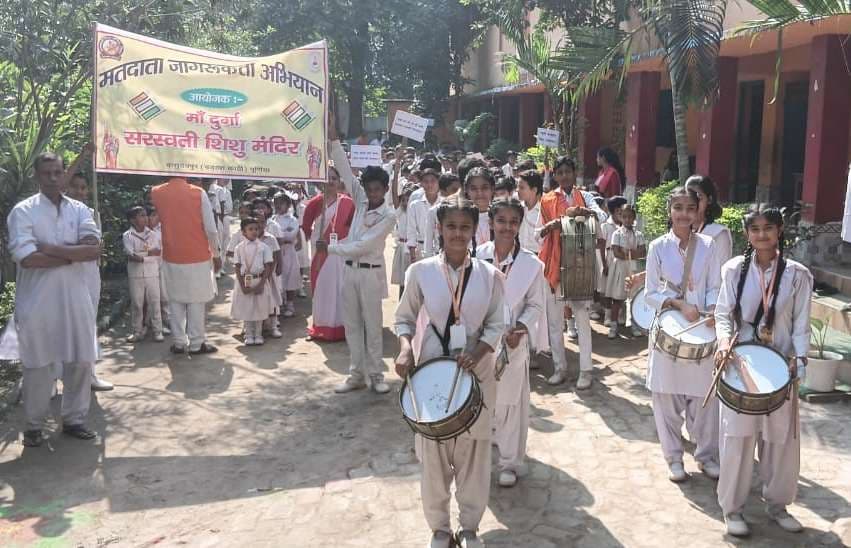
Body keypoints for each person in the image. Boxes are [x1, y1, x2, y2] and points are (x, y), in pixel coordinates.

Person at [394, 194, 505, 548]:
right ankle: (440, 529)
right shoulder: (421, 272)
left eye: (465, 227)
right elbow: (404, 318)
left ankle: (470, 527)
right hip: (432, 371)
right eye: (451, 226)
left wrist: (478, 351)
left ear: (475, 230)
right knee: (433, 454)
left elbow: (496, 323)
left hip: (478, 373)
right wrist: (403, 349)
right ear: (439, 229)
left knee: (475, 454)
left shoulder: (490, 276)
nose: (458, 234)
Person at [714, 205, 812, 537]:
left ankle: (778, 504)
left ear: (780, 230)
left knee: (781, 442)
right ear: (747, 234)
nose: (761, 235)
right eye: (754, 229)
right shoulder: (732, 270)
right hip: (741, 365)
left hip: (781, 366)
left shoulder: (798, 274)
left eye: (768, 228)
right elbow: (724, 314)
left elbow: (801, 324)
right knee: (737, 440)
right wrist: (723, 342)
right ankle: (733, 508)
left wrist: (798, 360)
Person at [8, 152, 102, 446]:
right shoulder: (23, 212)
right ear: (37, 175)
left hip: (77, 298)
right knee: (38, 365)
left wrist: (49, 248)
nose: (53, 178)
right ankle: (34, 426)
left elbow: (93, 249)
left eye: (57, 172)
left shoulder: (79, 210)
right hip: (38, 302)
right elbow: (27, 259)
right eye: (46, 173)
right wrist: (73, 254)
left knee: (81, 360)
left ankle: (74, 419)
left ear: (65, 174)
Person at [644, 186, 722, 483]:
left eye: (690, 208)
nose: (684, 214)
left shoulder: (708, 246)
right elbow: (650, 293)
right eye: (678, 207)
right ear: (669, 211)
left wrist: (714, 308)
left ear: (698, 211)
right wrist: (678, 303)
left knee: (704, 397)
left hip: (702, 327)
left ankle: (705, 455)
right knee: (666, 397)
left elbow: (715, 284)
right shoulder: (657, 247)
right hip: (669, 326)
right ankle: (674, 457)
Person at [477, 198, 545, 488]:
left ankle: (508, 461)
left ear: (520, 225)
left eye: (513, 222)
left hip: (512, 343)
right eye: (501, 221)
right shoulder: (476, 256)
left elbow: (536, 305)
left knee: (508, 403)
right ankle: (478, 458)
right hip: (480, 343)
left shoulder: (532, 264)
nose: (507, 227)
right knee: (480, 400)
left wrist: (521, 328)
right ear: (491, 222)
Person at [328, 138, 397, 394]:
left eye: (377, 189)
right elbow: (346, 171)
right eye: (369, 189)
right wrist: (334, 141)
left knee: (372, 324)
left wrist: (332, 249)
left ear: (385, 189)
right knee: (352, 324)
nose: (372, 193)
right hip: (350, 271)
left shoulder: (389, 216)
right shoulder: (362, 202)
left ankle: (377, 375)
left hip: (369, 274)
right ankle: (356, 373)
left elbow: (364, 246)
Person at [538, 156, 606, 387]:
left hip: (579, 263)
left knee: (582, 317)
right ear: (555, 175)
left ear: (574, 173)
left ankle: (586, 370)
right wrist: (555, 224)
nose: (565, 176)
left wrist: (582, 213)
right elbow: (540, 231)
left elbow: (602, 217)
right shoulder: (546, 200)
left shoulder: (584, 196)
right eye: (561, 172)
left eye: (569, 171)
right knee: (555, 321)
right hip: (555, 262)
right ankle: (560, 368)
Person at [150, 177, 221, 355]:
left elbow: (156, 220)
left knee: (175, 300)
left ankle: (179, 342)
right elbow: (211, 229)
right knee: (196, 301)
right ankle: (197, 343)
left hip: (171, 255)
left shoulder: (156, 192)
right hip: (197, 254)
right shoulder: (198, 193)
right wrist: (217, 253)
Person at [61, 157, 113, 392]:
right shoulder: (56, 212)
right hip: (64, 277)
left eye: (84, 188)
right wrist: (82, 156)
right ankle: (53, 380)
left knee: (87, 326)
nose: (81, 192)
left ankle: (89, 375)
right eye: (76, 187)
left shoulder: (91, 212)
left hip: (90, 277)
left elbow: (96, 247)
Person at [301, 161, 355, 341]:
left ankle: (341, 328)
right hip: (320, 252)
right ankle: (319, 327)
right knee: (321, 288)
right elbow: (306, 229)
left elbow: (353, 228)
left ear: (340, 181)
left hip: (340, 252)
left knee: (340, 288)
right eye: (327, 178)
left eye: (334, 178)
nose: (331, 181)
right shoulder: (314, 204)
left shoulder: (348, 202)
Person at [231, 217, 277, 346]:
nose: (254, 232)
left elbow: (268, 266)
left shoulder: (264, 247)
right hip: (245, 281)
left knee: (259, 308)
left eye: (256, 229)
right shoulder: (239, 248)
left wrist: (262, 284)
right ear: (243, 232)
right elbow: (237, 266)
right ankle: (249, 334)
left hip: (259, 279)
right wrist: (242, 285)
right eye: (250, 229)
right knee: (247, 308)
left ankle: (258, 334)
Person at [123, 206, 164, 343]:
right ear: (133, 220)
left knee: (155, 301)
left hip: (152, 273)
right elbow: (131, 255)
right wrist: (148, 255)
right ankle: (137, 331)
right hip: (135, 275)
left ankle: (158, 330)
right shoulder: (127, 236)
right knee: (137, 303)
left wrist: (141, 255)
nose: (146, 218)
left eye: (146, 215)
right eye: (142, 216)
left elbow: (157, 253)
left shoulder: (151, 234)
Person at [607, 205, 646, 338]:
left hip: (634, 268)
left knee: (634, 298)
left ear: (634, 218)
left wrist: (627, 252)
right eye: (624, 217)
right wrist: (631, 253)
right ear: (620, 217)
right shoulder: (616, 233)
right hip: (620, 269)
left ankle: (635, 325)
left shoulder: (639, 234)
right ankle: (613, 326)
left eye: (630, 217)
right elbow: (616, 252)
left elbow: (642, 251)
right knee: (617, 299)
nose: (627, 220)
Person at [685, 175, 734, 264]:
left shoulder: (718, 234)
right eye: (688, 198)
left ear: (709, 200)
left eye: (698, 198)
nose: (692, 203)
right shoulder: (678, 231)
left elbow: (720, 273)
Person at [390, 155, 419, 298]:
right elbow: (393, 192)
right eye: (405, 198)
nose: (407, 201)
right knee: (403, 282)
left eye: (411, 198)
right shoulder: (400, 210)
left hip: (413, 248)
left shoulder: (419, 210)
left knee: (413, 281)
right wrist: (396, 171)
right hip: (402, 248)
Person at [272, 193, 303, 317]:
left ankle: (290, 304)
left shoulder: (292, 219)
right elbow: (271, 235)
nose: (278, 205)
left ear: (288, 204)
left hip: (289, 251)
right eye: (276, 203)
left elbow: (290, 235)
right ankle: (278, 304)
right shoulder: (272, 219)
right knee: (277, 277)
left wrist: (280, 237)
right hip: (275, 252)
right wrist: (281, 236)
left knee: (290, 277)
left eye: (281, 203)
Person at [254, 210, 283, 338]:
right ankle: (253, 328)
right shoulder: (248, 239)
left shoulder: (270, 238)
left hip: (269, 276)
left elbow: (277, 254)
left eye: (262, 222)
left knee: (272, 301)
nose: (259, 225)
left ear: (266, 223)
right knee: (254, 302)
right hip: (255, 276)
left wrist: (278, 267)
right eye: (256, 222)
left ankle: (273, 326)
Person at [406, 160, 442, 262]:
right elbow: (411, 230)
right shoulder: (415, 205)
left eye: (433, 181)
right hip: (420, 250)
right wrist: (413, 255)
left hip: (441, 250)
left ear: (438, 182)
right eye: (426, 181)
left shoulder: (444, 203)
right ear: (421, 183)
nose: (430, 184)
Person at [598, 196, 625, 329]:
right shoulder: (605, 226)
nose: (623, 215)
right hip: (609, 258)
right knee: (608, 289)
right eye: (621, 211)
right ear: (615, 211)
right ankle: (608, 315)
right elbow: (601, 246)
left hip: (623, 260)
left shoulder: (627, 226)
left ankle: (619, 314)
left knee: (620, 289)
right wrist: (603, 264)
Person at [147, 206, 171, 336]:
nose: (155, 218)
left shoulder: (161, 229)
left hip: (162, 264)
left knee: (164, 295)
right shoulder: (145, 233)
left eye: (156, 215)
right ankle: (155, 323)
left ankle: (167, 319)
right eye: (152, 215)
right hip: (149, 267)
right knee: (153, 297)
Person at [464, 167, 496, 249]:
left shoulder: (500, 216)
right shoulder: (461, 218)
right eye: (474, 189)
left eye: (484, 188)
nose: (479, 193)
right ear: (467, 191)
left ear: (492, 189)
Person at [516, 170, 544, 254]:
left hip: (538, 257)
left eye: (522, 188)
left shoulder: (544, 212)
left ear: (534, 190)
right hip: (519, 255)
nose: (517, 190)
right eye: (517, 187)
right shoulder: (518, 208)